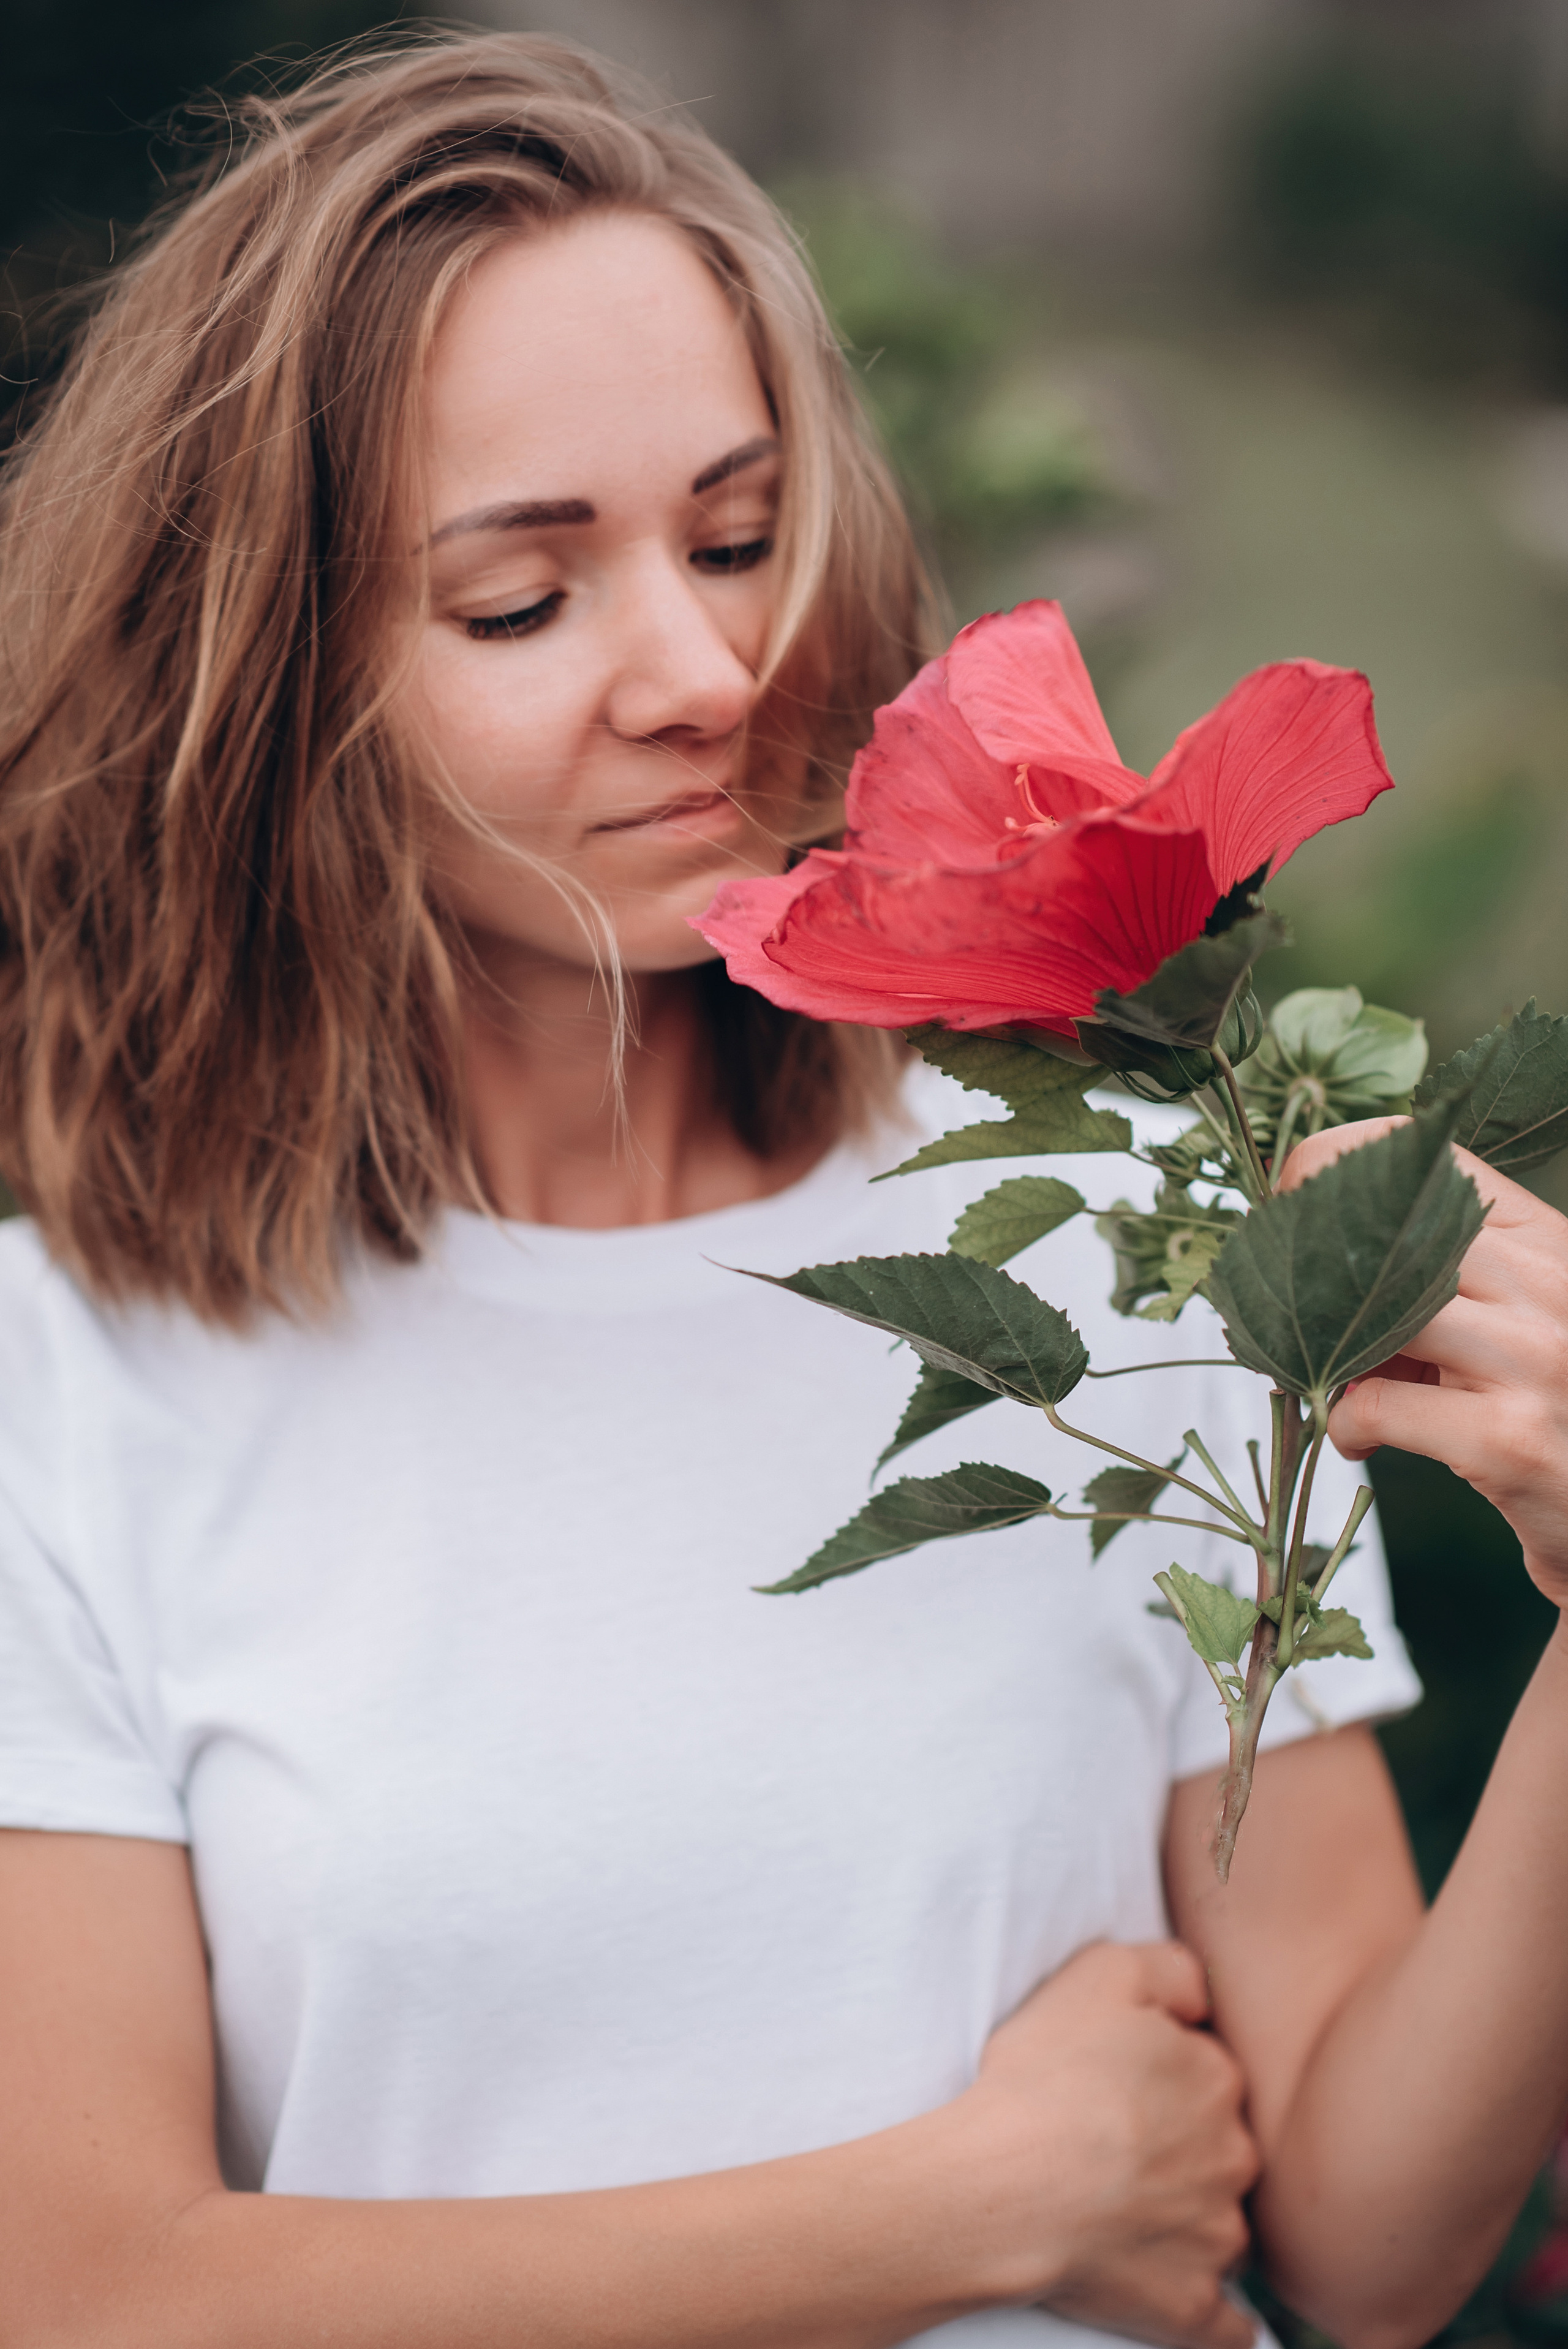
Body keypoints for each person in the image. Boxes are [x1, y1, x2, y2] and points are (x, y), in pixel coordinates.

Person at [0, 31, 1566, 2349]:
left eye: (738, 539)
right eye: (522, 601)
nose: (708, 668)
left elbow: (1366, 2232)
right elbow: (94, 2291)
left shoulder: (1130, 1236)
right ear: (259, 690)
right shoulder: (77, 1381)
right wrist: (974, 2203)